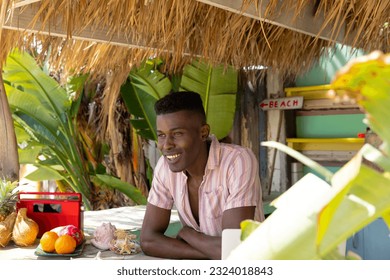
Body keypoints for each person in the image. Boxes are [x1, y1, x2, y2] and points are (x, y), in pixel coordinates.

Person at [140, 91, 264, 259]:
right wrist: (211, 252)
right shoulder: (165, 167)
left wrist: (188, 234)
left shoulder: (237, 161)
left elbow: (234, 249)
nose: (166, 145)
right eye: (161, 135)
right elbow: (148, 241)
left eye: (177, 134)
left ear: (203, 132)